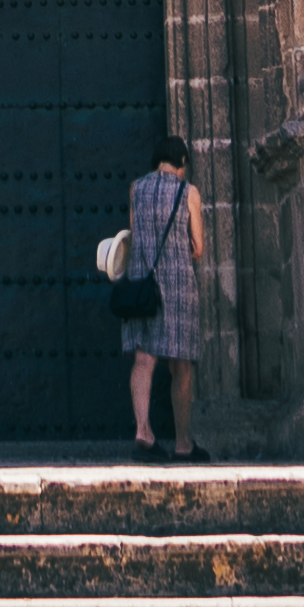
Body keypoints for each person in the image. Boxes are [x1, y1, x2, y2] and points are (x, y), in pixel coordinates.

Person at [117, 131, 204, 458]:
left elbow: (134, 234)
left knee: (143, 357)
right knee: (180, 363)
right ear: (182, 162)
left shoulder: (136, 189)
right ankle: (183, 443)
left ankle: (143, 429)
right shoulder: (187, 191)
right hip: (178, 284)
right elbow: (198, 246)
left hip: (143, 285)